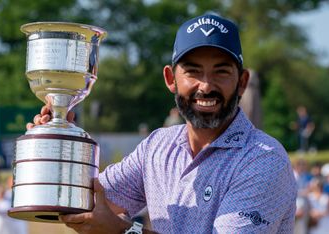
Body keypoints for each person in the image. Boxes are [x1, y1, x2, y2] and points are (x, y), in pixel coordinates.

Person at [29, 13, 297, 233]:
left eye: (221, 71)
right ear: (171, 79)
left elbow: (109, 224)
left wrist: (121, 232)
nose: (205, 85)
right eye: (192, 71)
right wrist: (54, 149)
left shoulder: (263, 160)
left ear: (242, 82)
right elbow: (86, 203)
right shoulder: (158, 147)